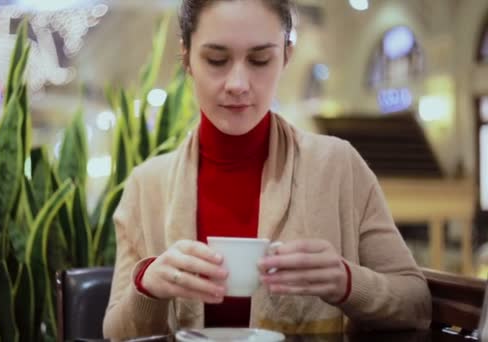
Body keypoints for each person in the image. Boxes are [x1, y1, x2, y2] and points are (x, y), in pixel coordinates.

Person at [103, 0, 432, 339]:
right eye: (216, 60)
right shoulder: (148, 186)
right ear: (186, 56)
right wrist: (148, 285)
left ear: (286, 55)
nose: (238, 83)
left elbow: (416, 303)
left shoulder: (338, 167)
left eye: (260, 60)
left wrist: (347, 282)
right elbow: (114, 332)